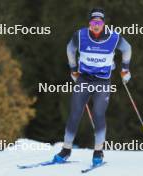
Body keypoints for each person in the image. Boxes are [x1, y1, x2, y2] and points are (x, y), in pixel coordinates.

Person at [53, 7, 132, 166]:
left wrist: (125, 69)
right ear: (89, 23)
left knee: (98, 114)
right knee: (75, 113)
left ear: (103, 23)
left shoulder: (113, 37)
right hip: (84, 79)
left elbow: (127, 48)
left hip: (102, 82)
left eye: (99, 22)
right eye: (93, 22)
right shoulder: (80, 35)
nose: (96, 25)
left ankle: (98, 151)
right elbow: (70, 49)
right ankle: (66, 149)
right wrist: (73, 70)